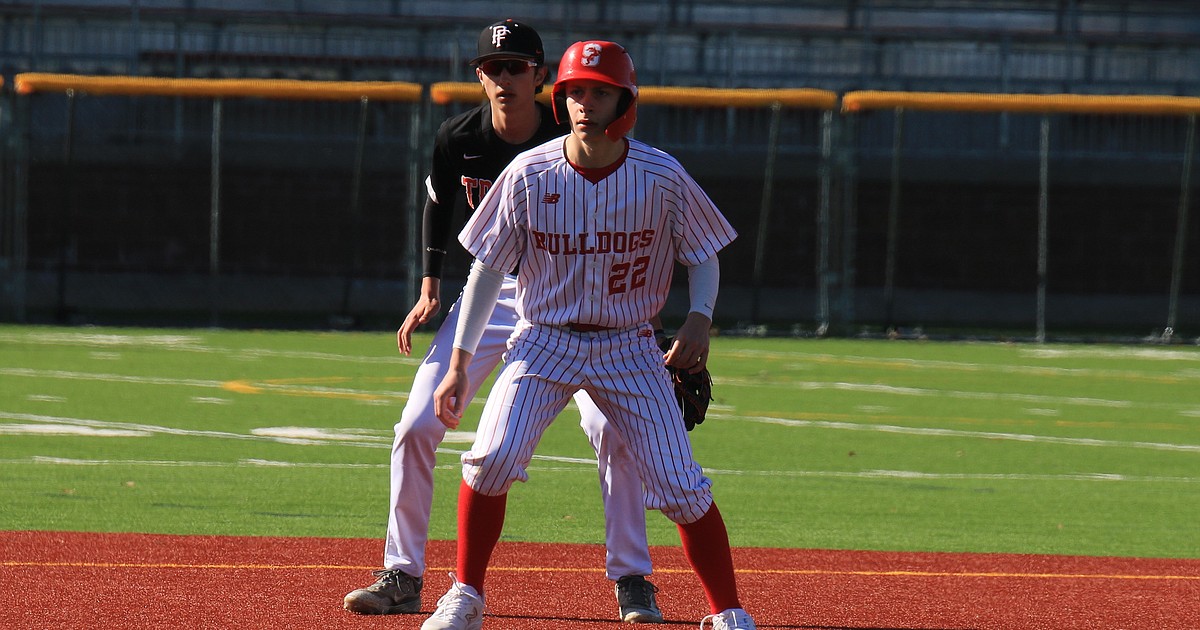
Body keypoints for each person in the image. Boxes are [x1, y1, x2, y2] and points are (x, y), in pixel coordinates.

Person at [421, 40, 756, 630]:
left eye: (599, 92)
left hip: (630, 345)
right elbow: (487, 269)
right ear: (560, 98)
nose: (584, 103)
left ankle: (728, 611)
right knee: (491, 459)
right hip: (543, 337)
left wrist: (701, 317)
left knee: (681, 487)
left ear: (623, 101)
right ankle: (465, 595)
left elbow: (703, 250)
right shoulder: (530, 171)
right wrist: (459, 361)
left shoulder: (660, 175)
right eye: (575, 91)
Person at [342, 20, 665, 624]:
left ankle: (632, 579)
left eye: (517, 66)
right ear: (478, 76)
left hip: (575, 301)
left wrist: (649, 318)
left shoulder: (571, 127)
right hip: (492, 290)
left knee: (613, 431)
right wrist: (430, 282)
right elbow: (439, 201)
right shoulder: (458, 137)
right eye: (491, 67)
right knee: (415, 424)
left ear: (542, 76)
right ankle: (404, 573)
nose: (503, 77)